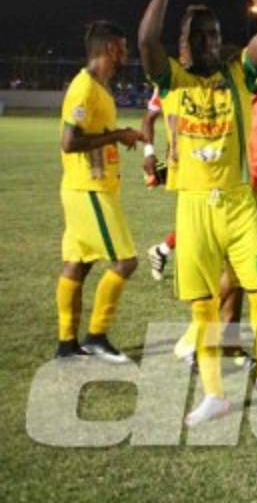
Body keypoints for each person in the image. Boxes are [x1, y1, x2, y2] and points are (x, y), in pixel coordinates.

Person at [138, 0, 257, 426]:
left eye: (213, 33)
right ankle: (214, 394)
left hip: (237, 202)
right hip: (192, 207)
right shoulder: (172, 80)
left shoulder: (237, 76)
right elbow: (145, 39)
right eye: (198, 35)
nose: (209, 41)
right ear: (184, 44)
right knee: (203, 307)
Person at [56, 21, 144, 361]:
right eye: (122, 48)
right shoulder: (84, 89)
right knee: (126, 261)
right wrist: (116, 136)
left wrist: (121, 134)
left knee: (77, 266)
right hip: (88, 189)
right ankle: (95, 336)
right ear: (109, 49)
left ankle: (66, 345)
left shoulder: (99, 87)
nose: (125, 55)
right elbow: (69, 142)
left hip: (89, 187)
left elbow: (96, 134)